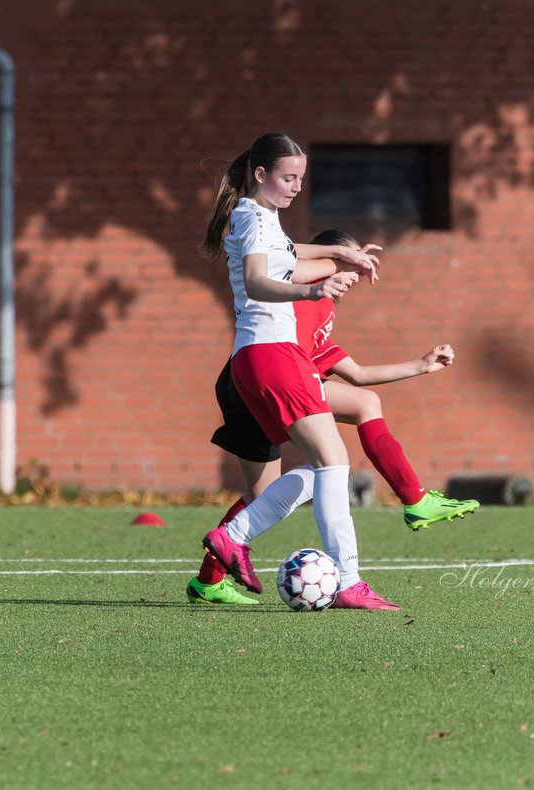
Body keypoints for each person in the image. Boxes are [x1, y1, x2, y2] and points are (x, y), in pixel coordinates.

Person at [186, 229, 480, 606]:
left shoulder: (321, 309)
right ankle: (399, 518)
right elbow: (275, 273)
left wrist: (422, 366)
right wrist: (335, 263)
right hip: (256, 380)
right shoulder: (306, 291)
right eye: (353, 265)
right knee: (322, 464)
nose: (355, 278)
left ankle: (207, 581)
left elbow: (357, 373)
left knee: (356, 412)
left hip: (258, 377)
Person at [196, 131, 403, 610]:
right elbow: (256, 281)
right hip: (271, 351)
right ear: (260, 173)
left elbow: (288, 253)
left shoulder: (262, 216)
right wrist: (310, 292)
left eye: (300, 179)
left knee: (318, 471)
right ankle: (347, 580)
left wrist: (343, 254)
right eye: (287, 178)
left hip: (258, 356)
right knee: (334, 463)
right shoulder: (251, 217)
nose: (294, 187)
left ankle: (234, 538)